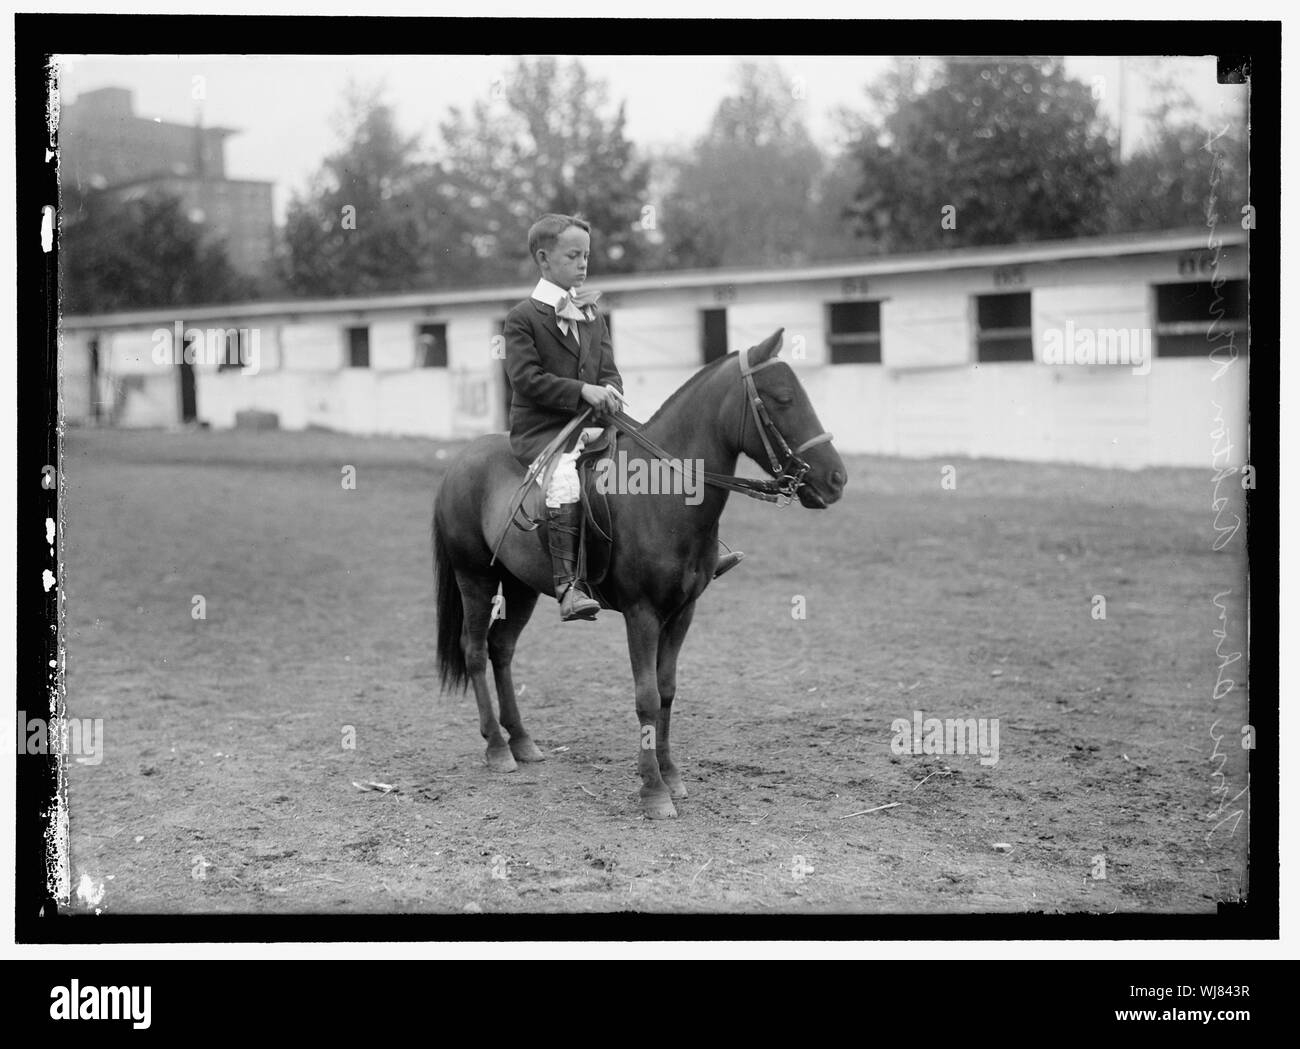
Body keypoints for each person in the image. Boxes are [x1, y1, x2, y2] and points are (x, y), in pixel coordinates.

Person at [503, 213, 742, 622]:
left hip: (596, 423)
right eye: (573, 256)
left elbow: (608, 371)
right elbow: (526, 379)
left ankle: (701, 549)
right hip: (546, 431)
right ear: (544, 260)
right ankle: (568, 584)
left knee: (660, 458)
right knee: (564, 481)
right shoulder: (523, 318)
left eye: (586, 256)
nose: (583, 264)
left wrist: (610, 391)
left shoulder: (591, 314)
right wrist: (581, 391)